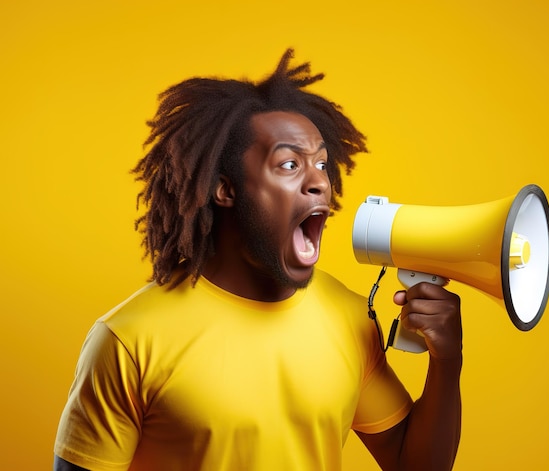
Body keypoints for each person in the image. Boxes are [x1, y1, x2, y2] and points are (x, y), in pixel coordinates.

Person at [54, 49, 462, 471]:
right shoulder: (128, 341)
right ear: (225, 190)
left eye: (321, 163)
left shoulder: (351, 317)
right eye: (289, 164)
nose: (319, 181)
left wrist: (447, 362)